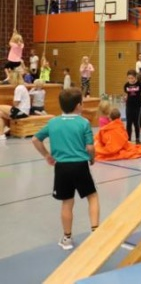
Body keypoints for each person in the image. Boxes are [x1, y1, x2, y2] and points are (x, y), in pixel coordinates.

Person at [31, 88, 99, 250]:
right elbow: (90, 147)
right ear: (78, 105)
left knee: (67, 202)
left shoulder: (53, 122)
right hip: (80, 166)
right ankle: (95, 232)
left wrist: (47, 155)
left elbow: (35, 139)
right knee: (92, 197)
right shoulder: (83, 122)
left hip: (62, 168)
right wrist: (92, 158)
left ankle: (67, 238)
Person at [0, 70, 31, 140]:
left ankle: (3, 132)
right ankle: (2, 133)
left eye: (10, 78)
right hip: (23, 111)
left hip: (21, 112)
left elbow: (16, 103)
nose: (9, 80)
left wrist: (11, 106)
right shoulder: (22, 87)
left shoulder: (19, 88)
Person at [124, 69, 141, 144]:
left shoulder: (140, 84)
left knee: (136, 123)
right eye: (129, 78)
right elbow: (127, 95)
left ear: (135, 77)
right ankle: (128, 139)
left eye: (132, 78)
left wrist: (140, 99)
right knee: (128, 123)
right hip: (129, 106)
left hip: (137, 106)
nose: (130, 80)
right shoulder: (126, 85)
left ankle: (137, 138)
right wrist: (125, 98)